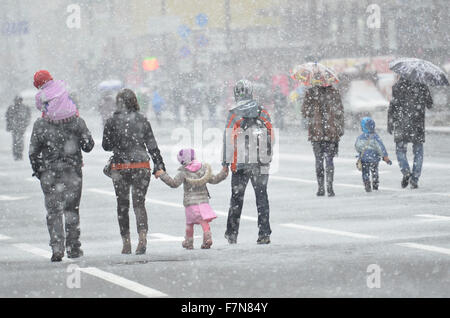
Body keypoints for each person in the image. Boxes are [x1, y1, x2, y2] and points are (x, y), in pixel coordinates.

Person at [29, 71, 94, 262]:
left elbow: (33, 152)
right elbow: (89, 146)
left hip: (49, 173)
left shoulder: (40, 125)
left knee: (53, 211)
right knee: (71, 210)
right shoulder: (76, 121)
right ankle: (74, 248)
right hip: (73, 171)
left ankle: (57, 247)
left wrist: (40, 170)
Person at [102, 88, 165, 255]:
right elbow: (152, 145)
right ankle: (142, 237)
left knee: (122, 205)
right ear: (134, 102)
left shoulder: (111, 121)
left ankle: (126, 242)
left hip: (120, 167)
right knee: (139, 204)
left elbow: (106, 146)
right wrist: (159, 164)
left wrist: (116, 138)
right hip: (141, 166)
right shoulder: (142, 120)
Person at [222, 79, 274, 245]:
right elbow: (271, 135)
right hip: (260, 162)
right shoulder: (262, 111)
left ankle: (232, 233)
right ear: (251, 92)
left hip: (241, 162)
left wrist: (225, 162)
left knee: (236, 199)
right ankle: (264, 232)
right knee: (262, 197)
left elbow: (228, 140)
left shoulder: (234, 113)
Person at [156, 148, 228, 249]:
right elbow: (214, 179)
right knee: (204, 221)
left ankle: (189, 242)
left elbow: (174, 183)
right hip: (203, 202)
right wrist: (223, 173)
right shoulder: (203, 169)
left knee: (190, 224)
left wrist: (162, 175)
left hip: (190, 203)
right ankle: (207, 238)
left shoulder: (183, 172)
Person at [388, 76, 433, 189]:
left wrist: (390, 122)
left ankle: (406, 171)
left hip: (401, 124)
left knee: (400, 150)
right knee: (418, 152)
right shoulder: (422, 86)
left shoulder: (397, 87)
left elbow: (392, 105)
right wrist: (425, 93)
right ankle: (415, 179)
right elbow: (430, 104)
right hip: (417, 125)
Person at [302, 83, 344, 197]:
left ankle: (321, 188)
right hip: (331, 132)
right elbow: (340, 113)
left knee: (319, 160)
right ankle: (330, 187)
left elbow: (304, 113)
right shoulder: (334, 93)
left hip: (316, 133)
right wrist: (340, 130)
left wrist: (311, 106)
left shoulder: (310, 93)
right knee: (329, 160)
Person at [355, 117, 392, 192]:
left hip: (364, 158)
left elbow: (357, 146)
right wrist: (385, 156)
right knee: (374, 170)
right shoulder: (375, 137)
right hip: (374, 158)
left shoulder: (360, 137)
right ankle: (375, 183)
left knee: (365, 171)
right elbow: (380, 147)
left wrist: (360, 152)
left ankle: (366, 183)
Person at [6, 96, 31, 160]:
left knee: (19, 141)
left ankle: (19, 154)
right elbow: (8, 117)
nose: (17, 102)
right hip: (15, 127)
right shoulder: (11, 108)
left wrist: (25, 124)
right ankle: (16, 154)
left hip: (20, 128)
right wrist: (9, 126)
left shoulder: (25, 108)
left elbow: (28, 117)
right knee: (16, 141)